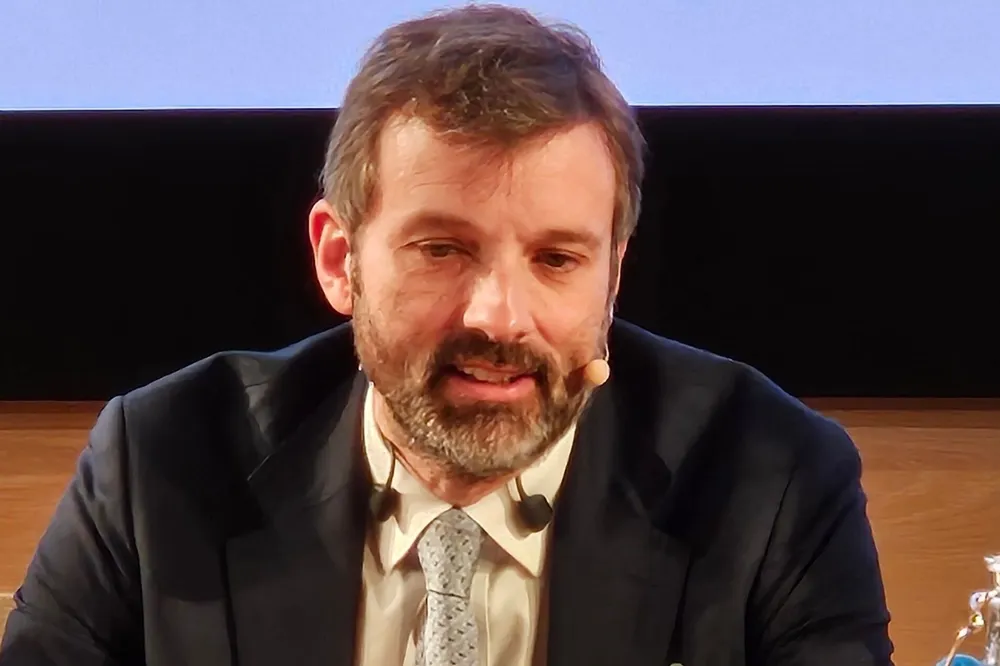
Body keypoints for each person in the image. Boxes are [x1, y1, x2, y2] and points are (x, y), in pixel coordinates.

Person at [0, 4, 894, 665]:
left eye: (556, 259)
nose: (497, 317)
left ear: (612, 276)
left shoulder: (769, 482)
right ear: (339, 259)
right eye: (442, 250)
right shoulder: (160, 466)